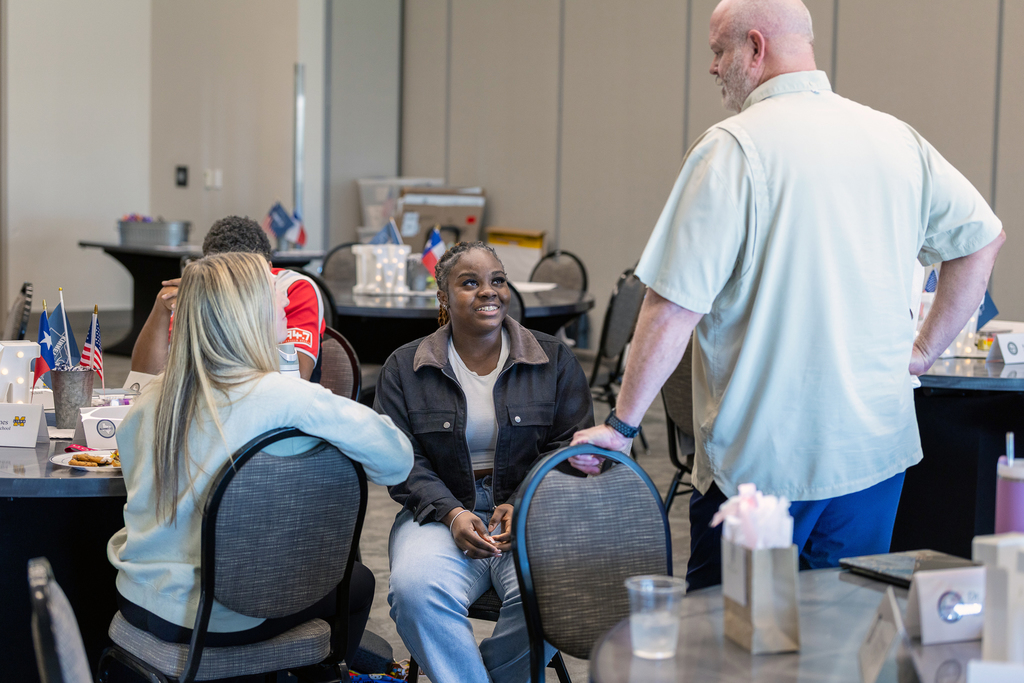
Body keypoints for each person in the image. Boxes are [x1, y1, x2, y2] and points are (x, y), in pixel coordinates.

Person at [571, 0, 1006, 590]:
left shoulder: (732, 149)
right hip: (872, 454)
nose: (713, 67)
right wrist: (923, 352)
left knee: (729, 647)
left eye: (718, 51)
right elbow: (983, 240)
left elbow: (672, 306)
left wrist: (620, 428)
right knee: (843, 642)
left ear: (756, 47)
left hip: (764, 466)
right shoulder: (894, 138)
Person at [108, 252, 413, 664]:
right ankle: (320, 670)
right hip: (217, 619)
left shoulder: (154, 395)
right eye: (276, 302)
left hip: (138, 599)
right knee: (356, 582)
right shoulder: (289, 397)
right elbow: (397, 459)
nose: (285, 310)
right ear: (250, 317)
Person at [374, 242, 593, 683]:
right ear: (443, 297)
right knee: (415, 592)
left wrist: (524, 499)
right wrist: (452, 512)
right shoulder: (405, 367)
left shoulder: (554, 360)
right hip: (439, 511)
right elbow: (400, 461)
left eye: (496, 280)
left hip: (529, 513)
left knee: (558, 592)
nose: (488, 292)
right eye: (470, 283)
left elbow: (570, 449)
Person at [131, 216, 326, 380]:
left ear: (267, 269)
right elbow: (144, 381)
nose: (229, 289)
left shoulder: (293, 290)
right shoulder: (204, 291)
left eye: (241, 279)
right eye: (220, 278)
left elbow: (296, 375)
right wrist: (161, 310)